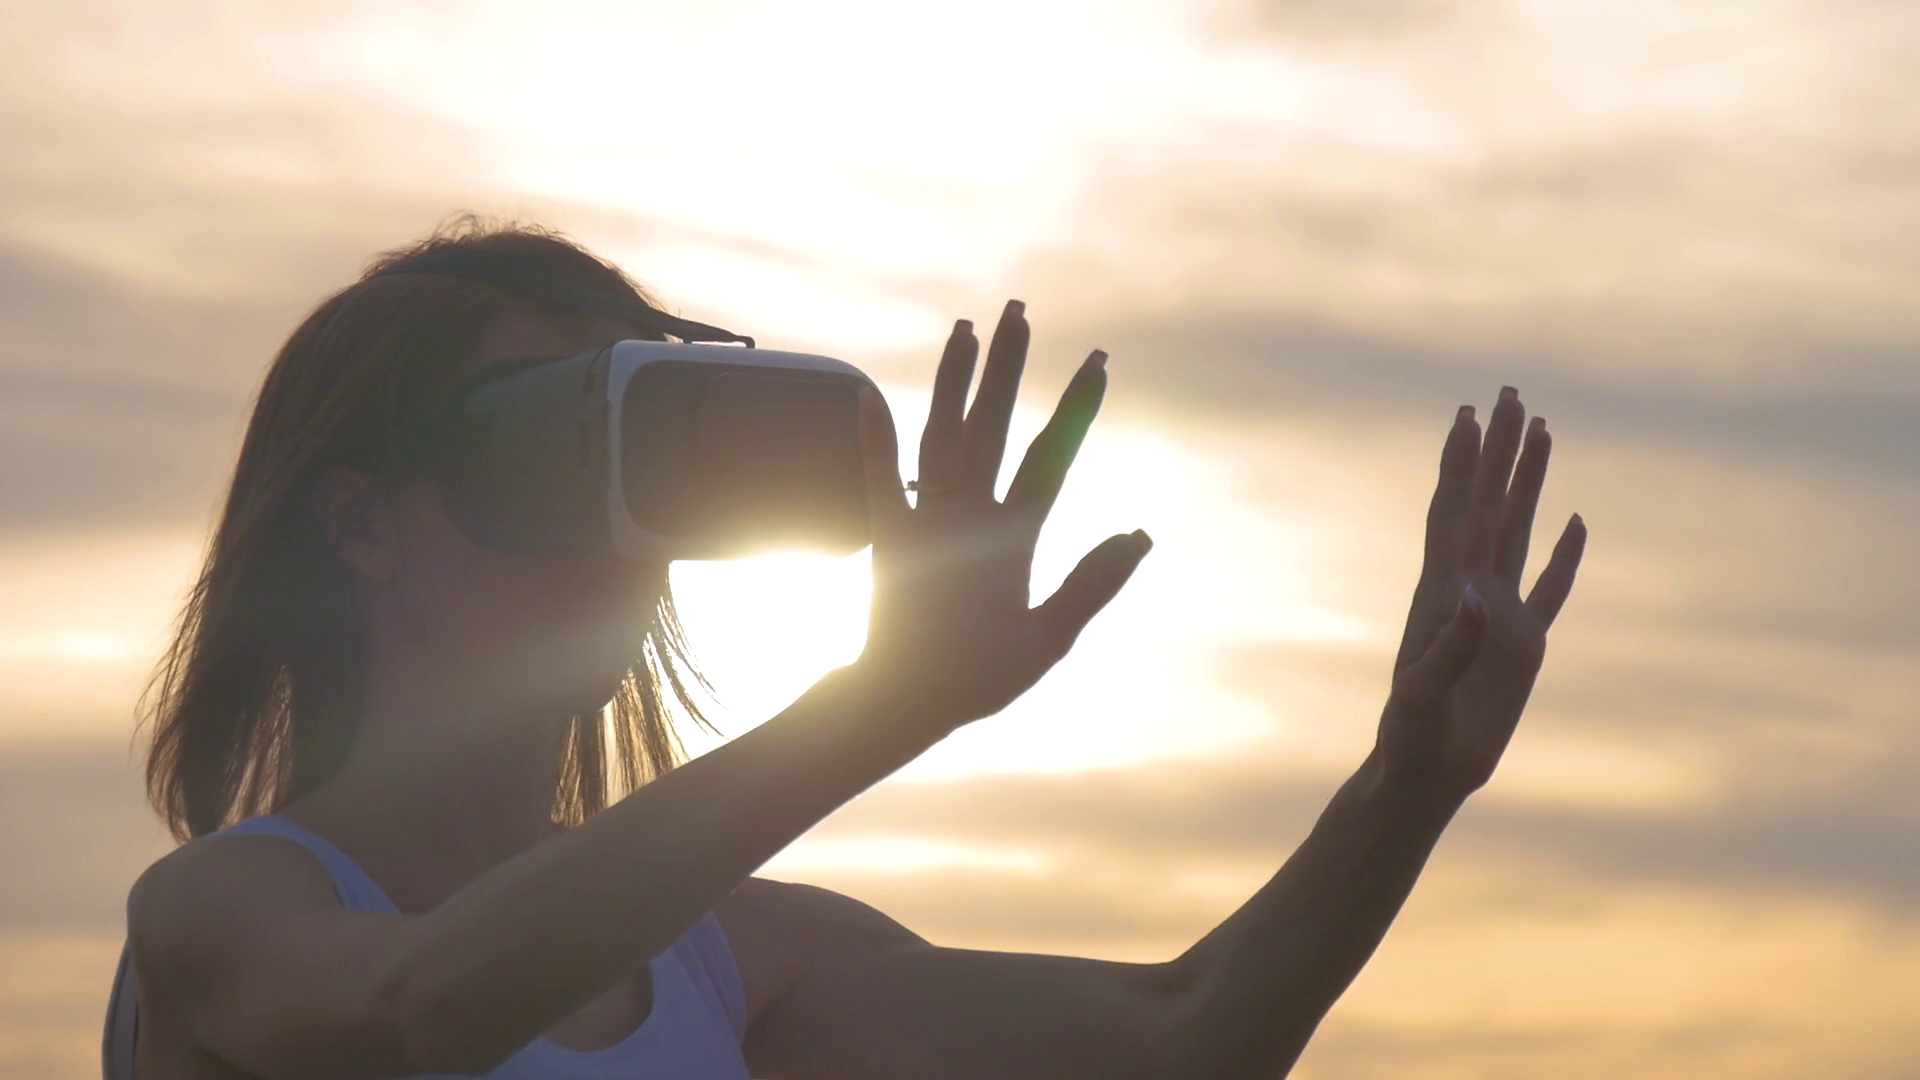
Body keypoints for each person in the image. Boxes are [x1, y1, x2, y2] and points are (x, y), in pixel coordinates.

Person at [107, 219, 1587, 1079]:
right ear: (362, 528)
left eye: (631, 445)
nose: (610, 522)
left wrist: (1406, 790)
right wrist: (882, 708)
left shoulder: (735, 963)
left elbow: (1189, 1038)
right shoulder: (222, 915)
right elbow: (419, 1007)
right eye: (542, 445)